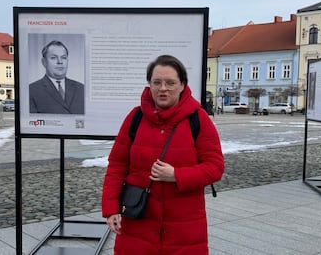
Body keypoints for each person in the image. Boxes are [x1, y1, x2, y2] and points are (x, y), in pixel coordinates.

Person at [102, 55, 224, 255]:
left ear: (183, 85)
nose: (163, 88)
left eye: (170, 82)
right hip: (138, 222)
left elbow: (215, 167)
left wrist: (176, 175)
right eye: (156, 82)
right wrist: (111, 208)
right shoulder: (136, 117)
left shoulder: (198, 119)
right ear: (149, 84)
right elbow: (117, 165)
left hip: (184, 228)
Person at [29, 40, 84, 114]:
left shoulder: (81, 88)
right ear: (44, 62)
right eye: (53, 58)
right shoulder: (32, 90)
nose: (60, 61)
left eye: (63, 57)